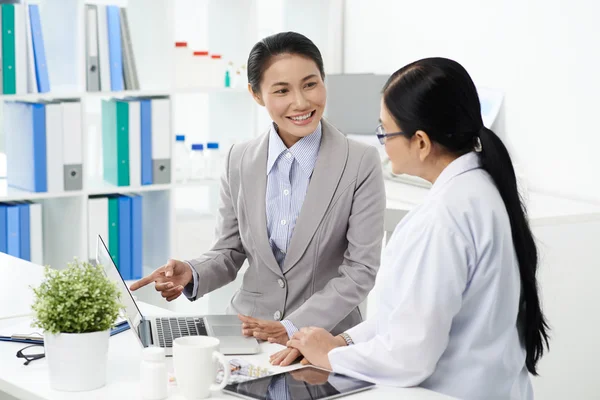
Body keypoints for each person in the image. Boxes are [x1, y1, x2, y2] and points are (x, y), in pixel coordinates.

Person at [275, 57, 550, 400]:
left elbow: (409, 356)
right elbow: (407, 316)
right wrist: (341, 342)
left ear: (420, 141)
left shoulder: (442, 218)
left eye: (384, 131)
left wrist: (329, 357)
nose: (382, 144)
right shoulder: (483, 189)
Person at [130, 32, 385, 345]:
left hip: (321, 338)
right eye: (282, 90)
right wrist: (192, 272)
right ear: (256, 94)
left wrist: (292, 327)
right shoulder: (239, 159)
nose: (301, 102)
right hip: (245, 330)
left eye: (310, 84)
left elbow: (360, 270)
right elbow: (230, 251)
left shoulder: (360, 161)